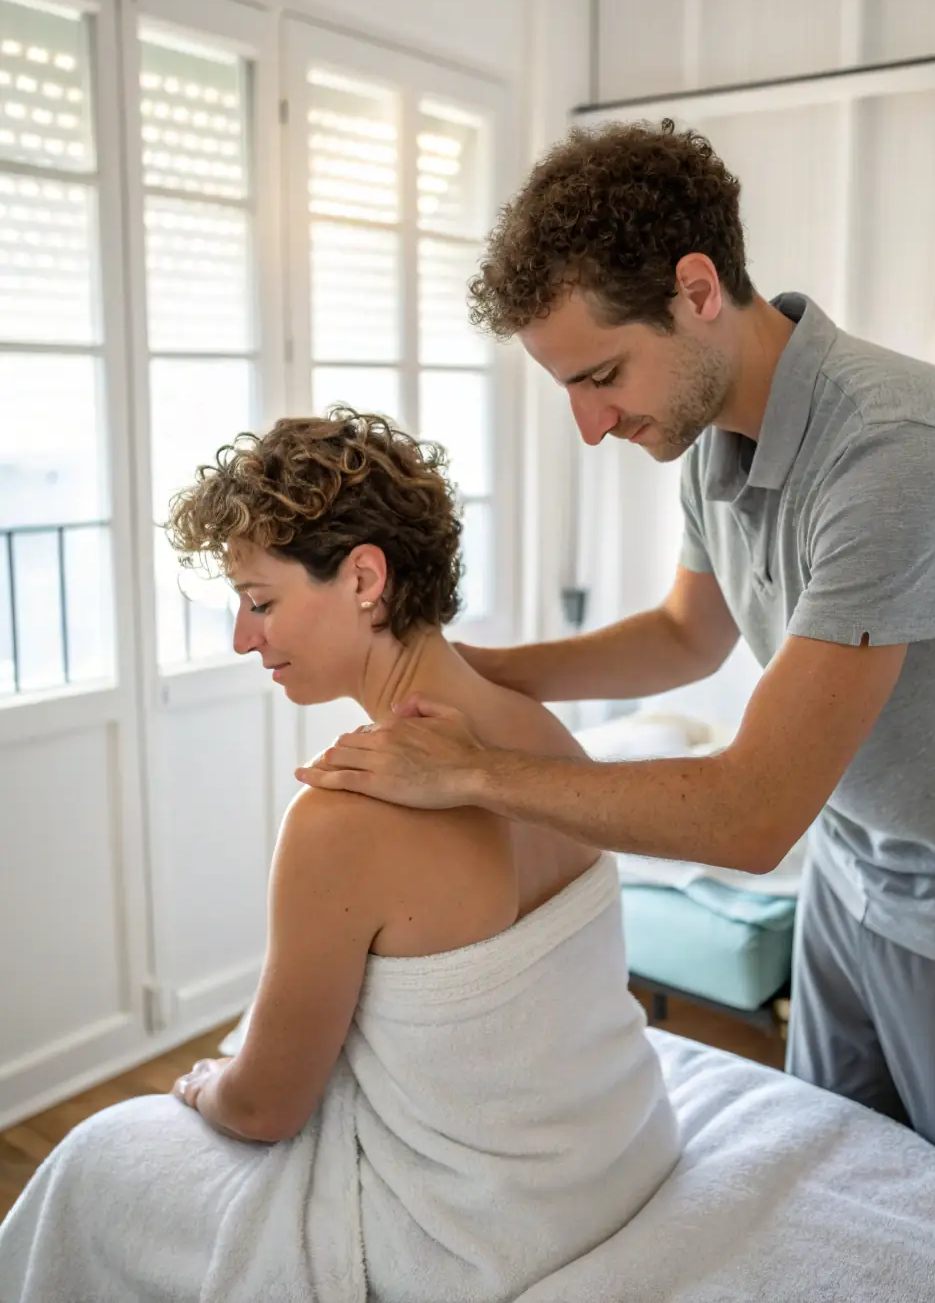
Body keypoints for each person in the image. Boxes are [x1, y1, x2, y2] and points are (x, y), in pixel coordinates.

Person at [300, 121, 935, 1191]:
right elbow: (687, 636)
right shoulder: (712, 435)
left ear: (695, 290)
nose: (591, 426)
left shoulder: (894, 452)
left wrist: (468, 771)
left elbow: (747, 815)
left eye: (601, 376)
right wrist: (476, 672)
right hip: (848, 877)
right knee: (835, 1178)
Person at [0, 409, 677, 1302]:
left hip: (487, 1235)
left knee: (93, 1158)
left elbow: (265, 1105)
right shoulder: (547, 738)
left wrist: (205, 1086)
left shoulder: (341, 818)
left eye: (262, 601)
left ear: (365, 576)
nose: (246, 638)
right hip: (618, 1156)